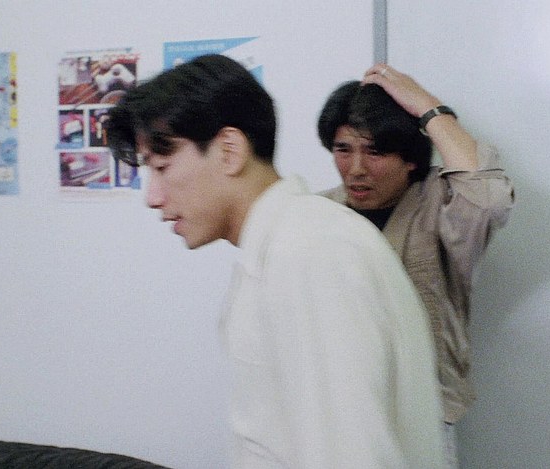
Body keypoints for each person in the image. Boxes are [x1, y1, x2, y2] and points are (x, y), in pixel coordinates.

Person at [105, 54, 445, 469]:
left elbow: (350, 454)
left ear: (229, 151)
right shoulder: (284, 246)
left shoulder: (310, 253)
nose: (153, 197)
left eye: (162, 167)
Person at [318, 63, 515, 467]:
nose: (356, 168)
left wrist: (427, 107)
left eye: (375, 151)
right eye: (343, 149)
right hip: (335, 414)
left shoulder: (439, 203)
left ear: (410, 159)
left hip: (420, 417)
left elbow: (489, 200)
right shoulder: (319, 214)